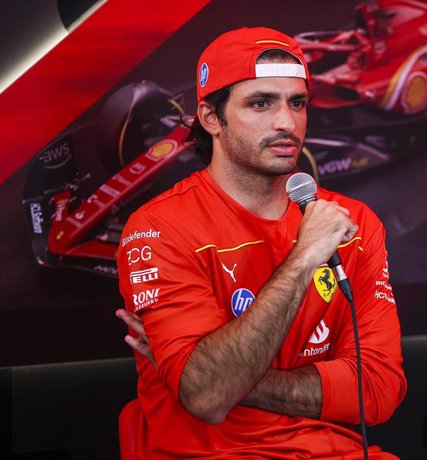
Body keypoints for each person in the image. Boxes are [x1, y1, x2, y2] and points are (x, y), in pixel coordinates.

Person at [116, 26, 406, 459]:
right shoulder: (159, 227)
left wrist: (220, 378)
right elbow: (210, 398)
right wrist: (306, 254)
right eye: (261, 103)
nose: (287, 123)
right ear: (211, 118)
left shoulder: (352, 222)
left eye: (297, 103)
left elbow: (379, 391)